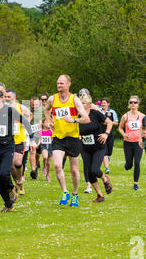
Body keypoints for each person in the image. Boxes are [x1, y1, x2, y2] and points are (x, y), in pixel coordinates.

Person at [0, 87, 36, 212]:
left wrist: (32, 139)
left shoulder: (10, 110)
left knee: (4, 173)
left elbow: (26, 122)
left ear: (1, 98)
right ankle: (8, 204)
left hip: (8, 147)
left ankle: (12, 188)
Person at [44, 75, 90, 207]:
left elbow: (86, 119)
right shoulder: (52, 99)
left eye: (61, 83)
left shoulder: (74, 100)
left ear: (68, 84)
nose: (59, 85)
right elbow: (46, 110)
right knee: (57, 165)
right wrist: (48, 120)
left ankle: (75, 194)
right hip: (58, 137)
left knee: (74, 170)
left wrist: (73, 120)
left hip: (73, 138)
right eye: (58, 83)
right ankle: (65, 192)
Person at [78, 93, 113, 203]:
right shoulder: (77, 117)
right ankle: (100, 195)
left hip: (99, 147)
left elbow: (109, 122)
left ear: (88, 105)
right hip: (85, 148)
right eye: (79, 103)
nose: (80, 105)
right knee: (89, 173)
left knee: (95, 170)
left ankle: (104, 179)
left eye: (82, 103)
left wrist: (106, 134)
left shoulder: (95, 114)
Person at [4, 89, 31, 194]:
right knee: (11, 166)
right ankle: (17, 183)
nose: (6, 99)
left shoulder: (21, 107)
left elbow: (29, 114)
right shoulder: (2, 109)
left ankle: (20, 180)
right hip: (7, 141)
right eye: (5, 97)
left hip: (19, 139)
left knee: (18, 163)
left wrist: (25, 123)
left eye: (8, 97)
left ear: (14, 98)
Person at [118, 96, 145, 190]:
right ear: (129, 104)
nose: (133, 104)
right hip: (128, 143)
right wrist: (124, 134)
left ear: (138, 104)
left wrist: (144, 134)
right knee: (129, 164)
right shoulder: (125, 116)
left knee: (137, 162)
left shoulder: (142, 116)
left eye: (135, 102)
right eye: (131, 102)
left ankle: (135, 184)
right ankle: (127, 164)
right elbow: (120, 128)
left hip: (138, 142)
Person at [100, 97, 118, 174]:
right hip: (101, 134)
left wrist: (108, 122)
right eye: (102, 103)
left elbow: (116, 122)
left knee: (109, 151)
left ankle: (107, 158)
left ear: (108, 104)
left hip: (110, 134)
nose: (103, 104)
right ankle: (107, 168)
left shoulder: (112, 112)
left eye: (104, 103)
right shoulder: (99, 111)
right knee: (105, 152)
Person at [39, 117, 53, 182]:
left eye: (49, 122)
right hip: (43, 145)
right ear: (43, 123)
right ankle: (44, 166)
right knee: (45, 157)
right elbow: (39, 139)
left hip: (50, 146)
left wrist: (51, 129)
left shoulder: (51, 130)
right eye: (46, 122)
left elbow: (54, 136)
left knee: (49, 163)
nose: (48, 123)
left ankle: (48, 175)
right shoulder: (40, 131)